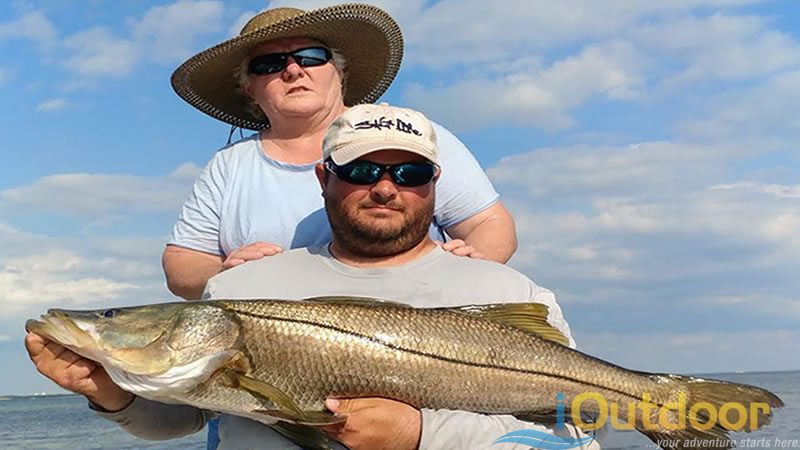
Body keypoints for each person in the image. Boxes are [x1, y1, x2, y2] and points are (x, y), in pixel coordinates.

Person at [26, 104, 599, 450]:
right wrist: (106, 392)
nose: (384, 185)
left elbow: (572, 438)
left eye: (409, 170)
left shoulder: (512, 292)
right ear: (325, 177)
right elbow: (178, 420)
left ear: (434, 181)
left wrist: (420, 436)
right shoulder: (238, 288)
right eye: (360, 169)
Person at [162, 3, 518, 301]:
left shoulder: (410, 137)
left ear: (339, 72)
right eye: (268, 64)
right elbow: (181, 264)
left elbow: (491, 224)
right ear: (249, 89)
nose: (292, 70)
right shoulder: (229, 164)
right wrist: (224, 272)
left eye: (311, 57)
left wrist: (472, 268)